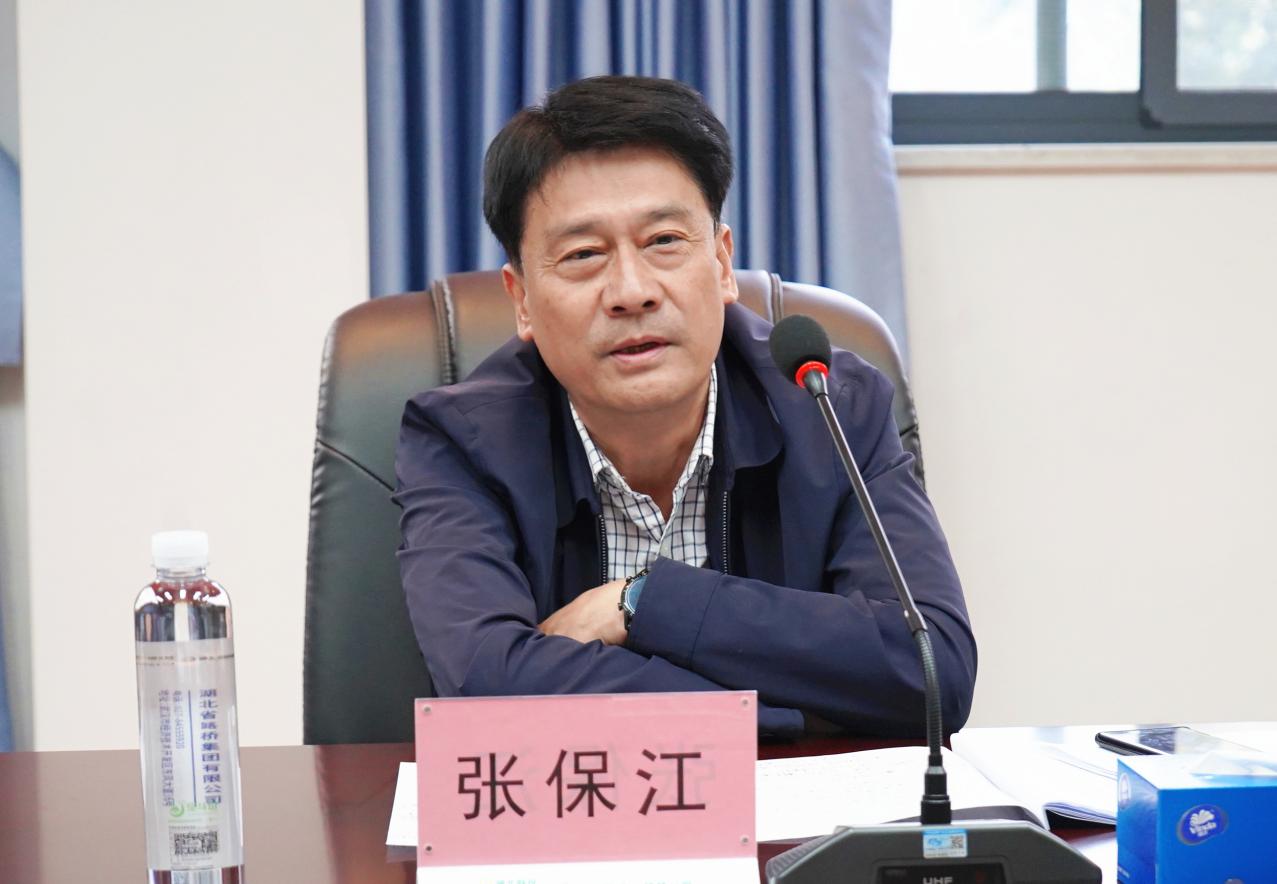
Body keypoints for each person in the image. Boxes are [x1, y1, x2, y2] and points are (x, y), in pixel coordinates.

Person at [394, 76, 976, 738]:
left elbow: (932, 666)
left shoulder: (831, 406)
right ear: (521, 300)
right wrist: (793, 713)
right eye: (583, 254)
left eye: (664, 241)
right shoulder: (460, 442)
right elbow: (485, 684)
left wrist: (644, 601)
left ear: (722, 264)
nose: (631, 291)